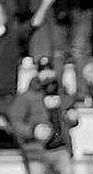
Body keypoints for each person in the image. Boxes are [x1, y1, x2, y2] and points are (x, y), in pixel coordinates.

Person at [10, 56, 79, 174]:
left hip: (60, 149)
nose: (47, 73)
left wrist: (71, 117)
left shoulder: (63, 94)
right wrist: (33, 130)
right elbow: (15, 122)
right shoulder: (27, 97)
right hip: (37, 153)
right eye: (42, 70)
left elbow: (72, 117)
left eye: (49, 69)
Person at [0, 0, 54, 146]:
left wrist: (45, 5)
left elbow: (33, 24)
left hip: (8, 97)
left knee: (18, 127)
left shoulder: (13, 37)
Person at [48, 0, 93, 103]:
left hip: (62, 8)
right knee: (76, 52)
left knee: (60, 52)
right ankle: (81, 94)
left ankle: (58, 92)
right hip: (79, 8)